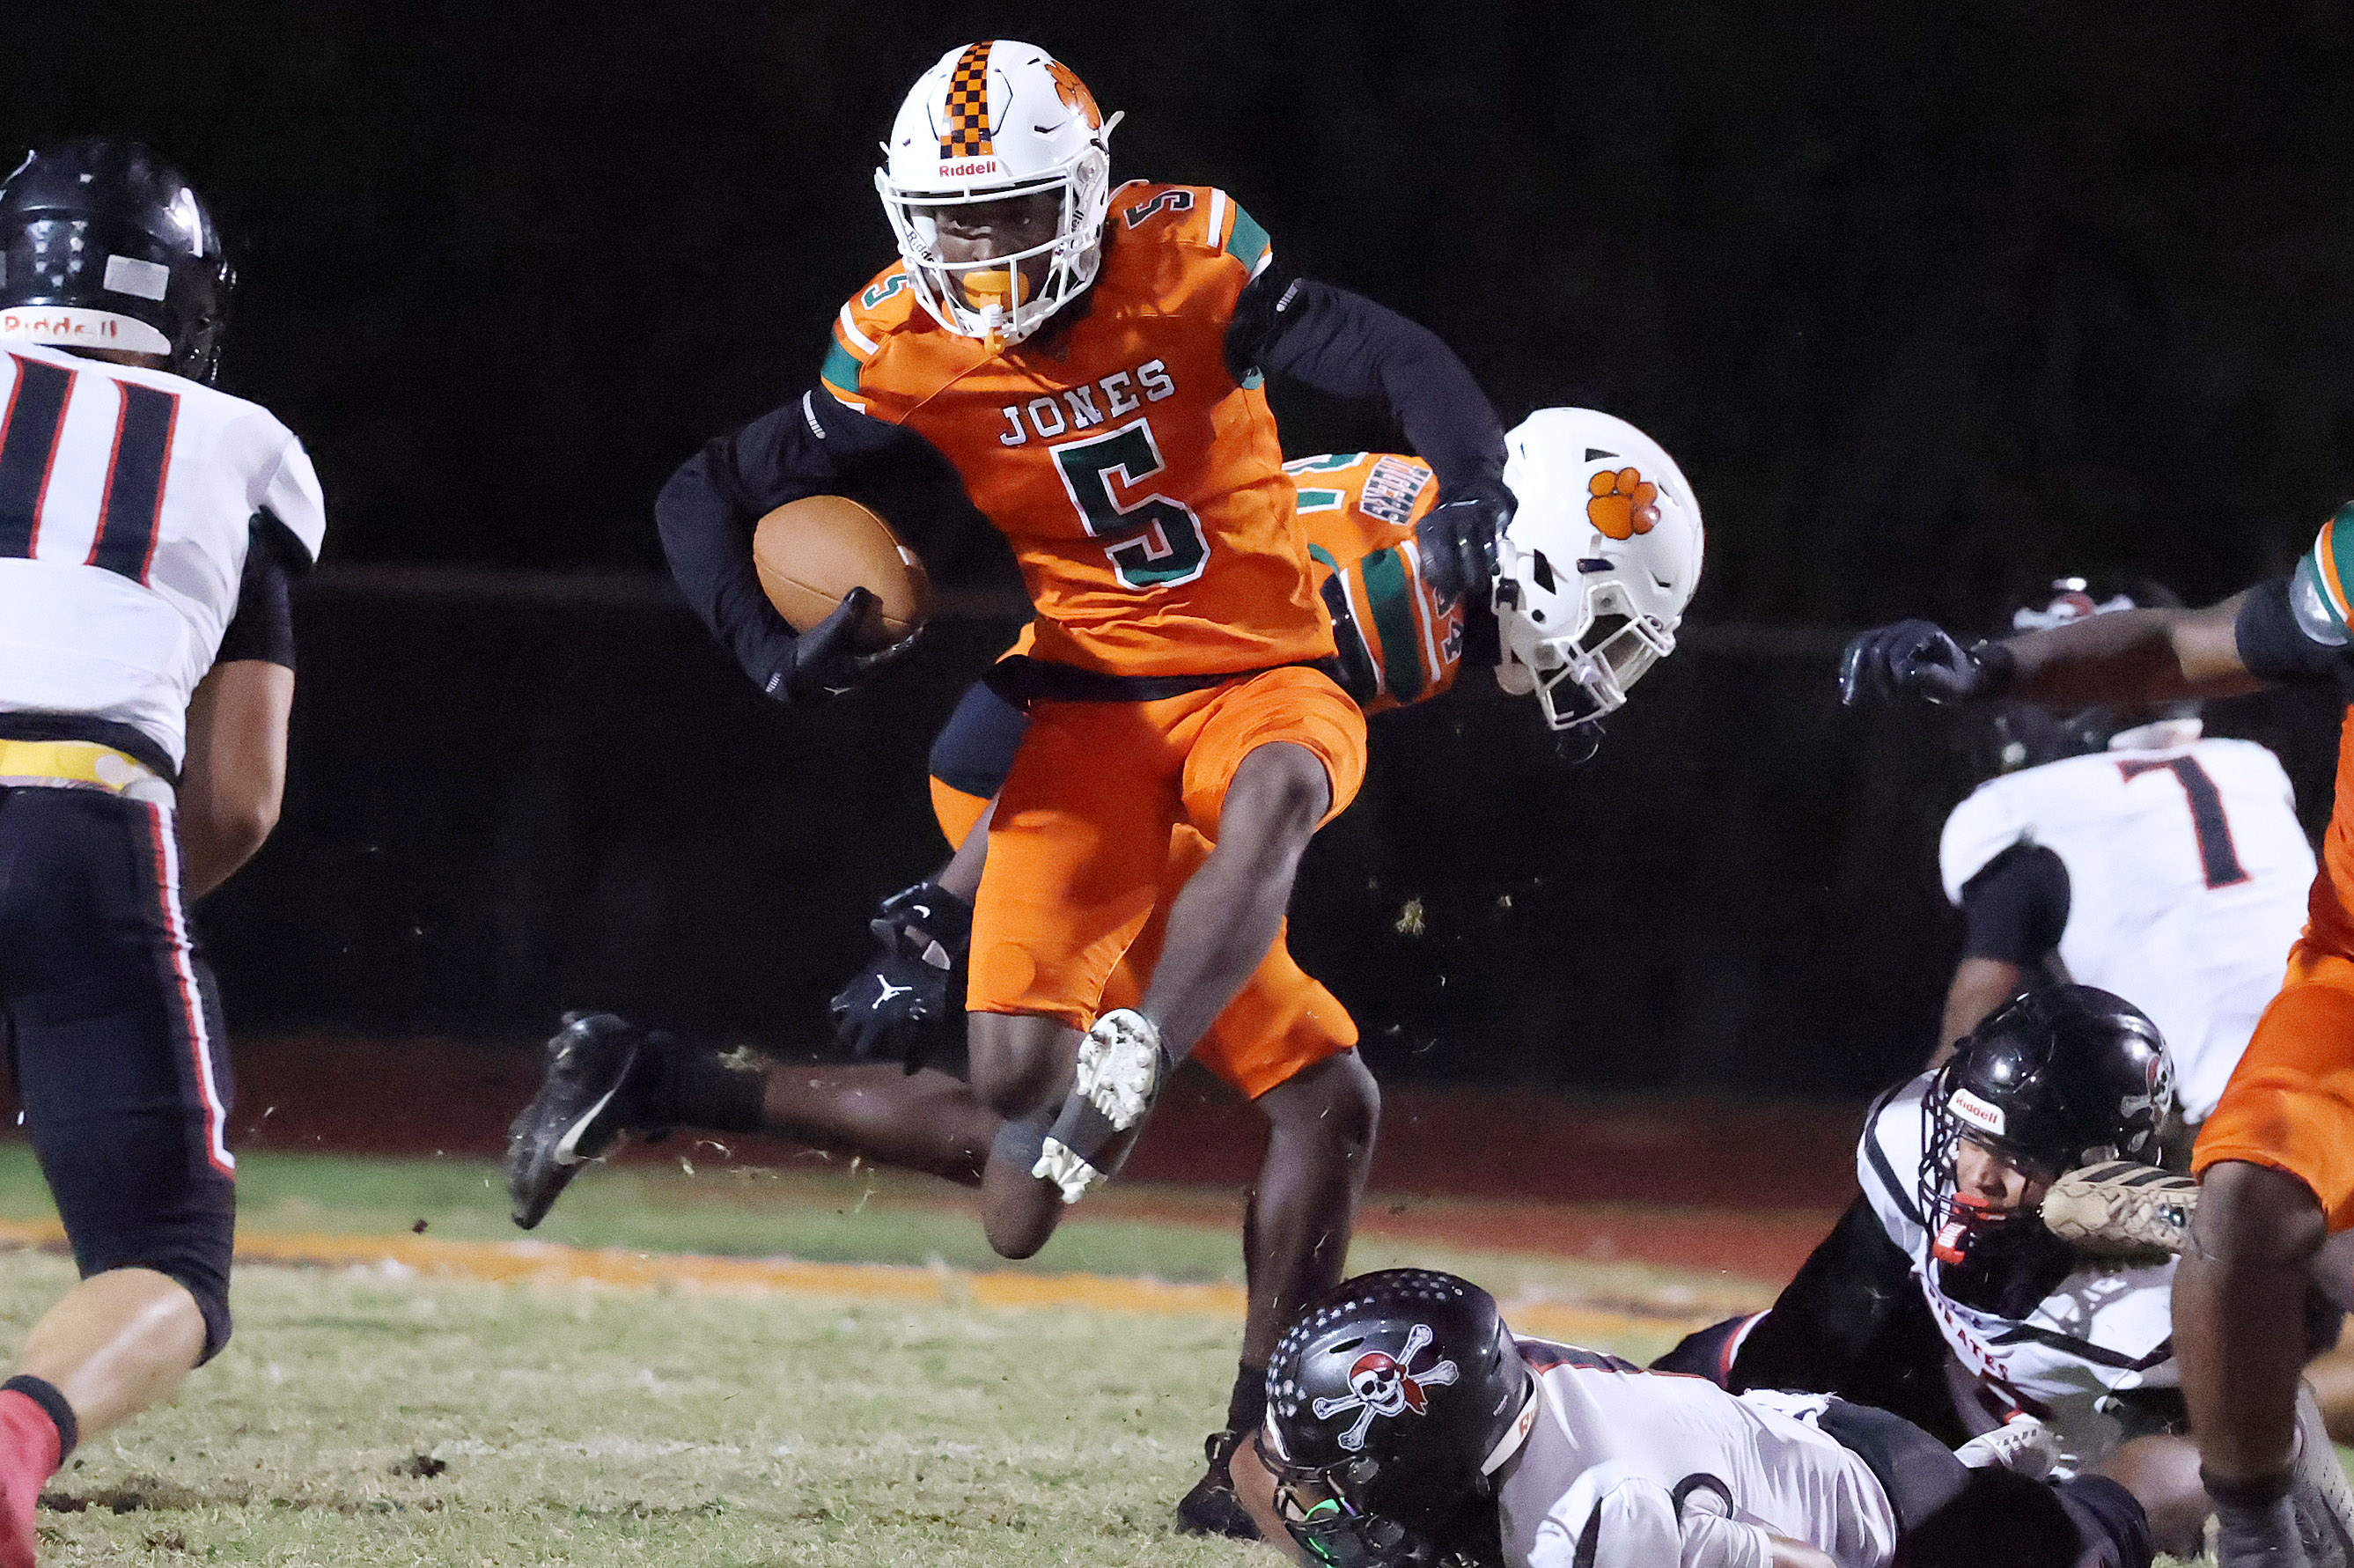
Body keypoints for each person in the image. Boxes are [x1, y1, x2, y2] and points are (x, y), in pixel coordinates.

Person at [505, 409, 1706, 1535]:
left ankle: (648, 1077)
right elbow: (1110, 699)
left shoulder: (1429, 537)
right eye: (1603, 623)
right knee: (1279, 1103)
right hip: (1056, 758)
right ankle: (1258, 1462)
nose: (1598, 663)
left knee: (1060, 1167)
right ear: (1540, 557)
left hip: (1121, 766)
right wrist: (953, 900)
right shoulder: (1372, 587)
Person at [1837, 519, 2354, 1567]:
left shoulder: (2033, 818)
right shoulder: (2245, 762)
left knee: (1995, 1217)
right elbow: (2182, 644)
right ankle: (2261, 1531)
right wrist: (1996, 669)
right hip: (2329, 986)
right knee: (2240, 1207)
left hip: (2176, 1125)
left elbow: (1964, 1053)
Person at [0, 140, 324, 1567]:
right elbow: (242, 798)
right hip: (78, 807)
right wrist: (80, 946)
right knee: (168, 1262)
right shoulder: (240, 446)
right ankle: (11, 1442)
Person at [1654, 985, 2354, 1563]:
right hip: (1923, 1401)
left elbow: (2169, 1473)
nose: (1978, 1175)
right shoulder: (1913, 1144)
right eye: (1972, 1138)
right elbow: (1817, 1329)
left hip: (2063, 1468)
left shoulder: (2147, 1309)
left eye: (2017, 1156)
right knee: (1698, 1387)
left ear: (2099, 1164)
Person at [1232, 1268, 2161, 1568]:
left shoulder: (1602, 1519)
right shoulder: (1487, 1389)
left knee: (2100, 1528)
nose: (1303, 1491)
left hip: (1873, 1503)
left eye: (1334, 1472)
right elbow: (1252, 1463)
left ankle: (2146, 1479)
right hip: (1759, 1428)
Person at [1929, 579, 2314, 1106]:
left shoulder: (2024, 808)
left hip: (2261, 1120)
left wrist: (1912, 1118)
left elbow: (1969, 1031)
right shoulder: (2251, 769)